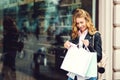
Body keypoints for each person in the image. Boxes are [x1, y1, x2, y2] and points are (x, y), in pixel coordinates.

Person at [64, 9, 102, 80]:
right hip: (74, 73)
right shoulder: (75, 35)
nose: (80, 25)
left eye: (82, 22)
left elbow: (99, 57)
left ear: (87, 21)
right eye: (77, 23)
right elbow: (69, 55)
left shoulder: (95, 35)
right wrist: (66, 47)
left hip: (88, 75)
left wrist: (89, 46)